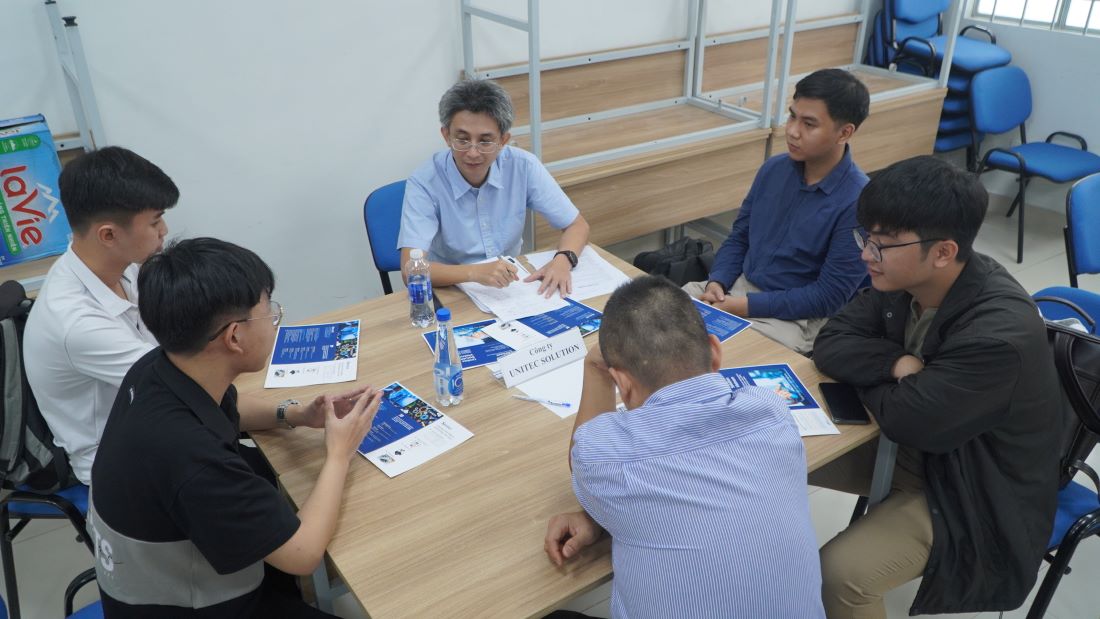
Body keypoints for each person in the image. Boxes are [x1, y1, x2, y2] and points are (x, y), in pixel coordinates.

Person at [811, 156, 1066, 617]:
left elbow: (913, 421)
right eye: (865, 238)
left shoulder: (997, 334)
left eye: (882, 245)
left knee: (840, 575)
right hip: (908, 444)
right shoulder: (903, 277)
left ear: (944, 251)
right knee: (764, 457)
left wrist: (893, 389)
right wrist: (897, 364)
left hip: (970, 487)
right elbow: (831, 342)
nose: (866, 254)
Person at [88, 237, 383, 617]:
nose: (276, 322)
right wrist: (339, 453)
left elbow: (230, 405)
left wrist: (295, 414)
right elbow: (303, 553)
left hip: (173, 573)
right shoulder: (192, 460)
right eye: (269, 313)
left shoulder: (159, 367)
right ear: (234, 337)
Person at [543, 276, 824, 618]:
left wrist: (595, 370)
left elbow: (586, 455)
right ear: (715, 352)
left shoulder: (605, 460)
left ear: (622, 384)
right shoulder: (773, 412)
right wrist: (600, 517)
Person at [682, 68, 870, 354]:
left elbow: (828, 296)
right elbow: (740, 237)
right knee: (657, 319)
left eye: (809, 124)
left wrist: (744, 306)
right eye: (792, 116)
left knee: (722, 358)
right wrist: (717, 281)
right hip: (736, 290)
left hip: (795, 318)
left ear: (845, 132)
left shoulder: (858, 200)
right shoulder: (774, 169)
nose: (793, 131)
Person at [24, 146, 177, 485]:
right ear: (108, 234)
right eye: (154, 222)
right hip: (122, 469)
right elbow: (180, 388)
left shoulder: (125, 269)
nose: (164, 230)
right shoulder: (75, 322)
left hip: (159, 428)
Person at [397, 79, 590, 297]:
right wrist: (473, 273)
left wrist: (563, 260)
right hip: (452, 291)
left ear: (503, 140)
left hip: (511, 287)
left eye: (485, 141)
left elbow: (577, 225)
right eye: (462, 139)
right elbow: (410, 270)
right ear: (446, 135)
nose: (472, 152)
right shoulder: (424, 182)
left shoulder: (523, 166)